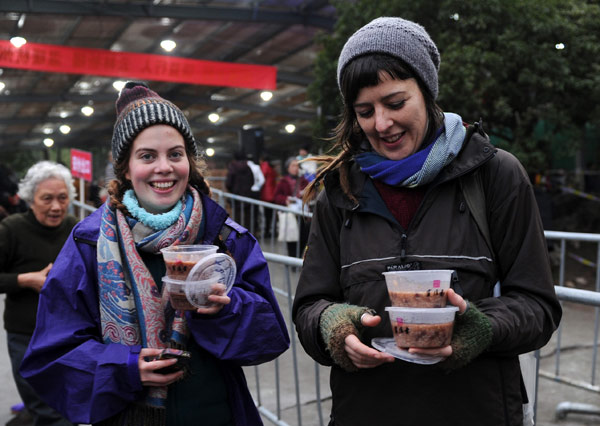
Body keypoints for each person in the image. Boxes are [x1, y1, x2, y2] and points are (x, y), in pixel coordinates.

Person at [291, 17, 562, 426]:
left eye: (396, 103)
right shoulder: (340, 190)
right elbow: (310, 305)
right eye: (365, 111)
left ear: (428, 92)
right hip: (366, 410)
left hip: (476, 409)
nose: (381, 124)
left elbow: (537, 306)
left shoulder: (494, 175)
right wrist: (332, 326)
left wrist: (480, 326)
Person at [20, 82, 290, 426]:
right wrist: (126, 368)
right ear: (126, 168)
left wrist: (225, 309)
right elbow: (51, 355)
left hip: (216, 413)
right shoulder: (88, 243)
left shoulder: (224, 236)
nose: (164, 167)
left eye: (175, 154)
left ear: (188, 162)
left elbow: (270, 337)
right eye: (147, 156)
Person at [0, 161, 77, 426]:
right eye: (47, 199)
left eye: (62, 197)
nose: (56, 206)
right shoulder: (11, 229)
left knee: (70, 404)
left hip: (69, 334)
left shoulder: (75, 229)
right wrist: (24, 280)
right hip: (26, 335)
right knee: (44, 408)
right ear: (31, 198)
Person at [273, 156, 309, 257]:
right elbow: (276, 196)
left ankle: (298, 257)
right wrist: (286, 199)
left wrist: (305, 194)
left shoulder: (303, 181)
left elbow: (311, 194)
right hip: (290, 214)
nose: (295, 168)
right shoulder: (283, 181)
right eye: (293, 165)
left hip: (302, 214)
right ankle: (292, 258)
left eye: (297, 166)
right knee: (291, 238)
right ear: (288, 167)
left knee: (303, 237)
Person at [225, 151, 255, 231]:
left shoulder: (232, 168)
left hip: (236, 196)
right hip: (247, 196)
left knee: (237, 217)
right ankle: (248, 236)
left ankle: (238, 235)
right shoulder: (248, 168)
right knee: (247, 218)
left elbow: (228, 183)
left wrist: (233, 190)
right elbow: (252, 181)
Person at [259, 154, 278, 237]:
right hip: (273, 192)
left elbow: (261, 178)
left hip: (266, 194)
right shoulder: (271, 167)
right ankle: (273, 231)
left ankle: (267, 232)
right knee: (271, 214)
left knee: (267, 215)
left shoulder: (264, 166)